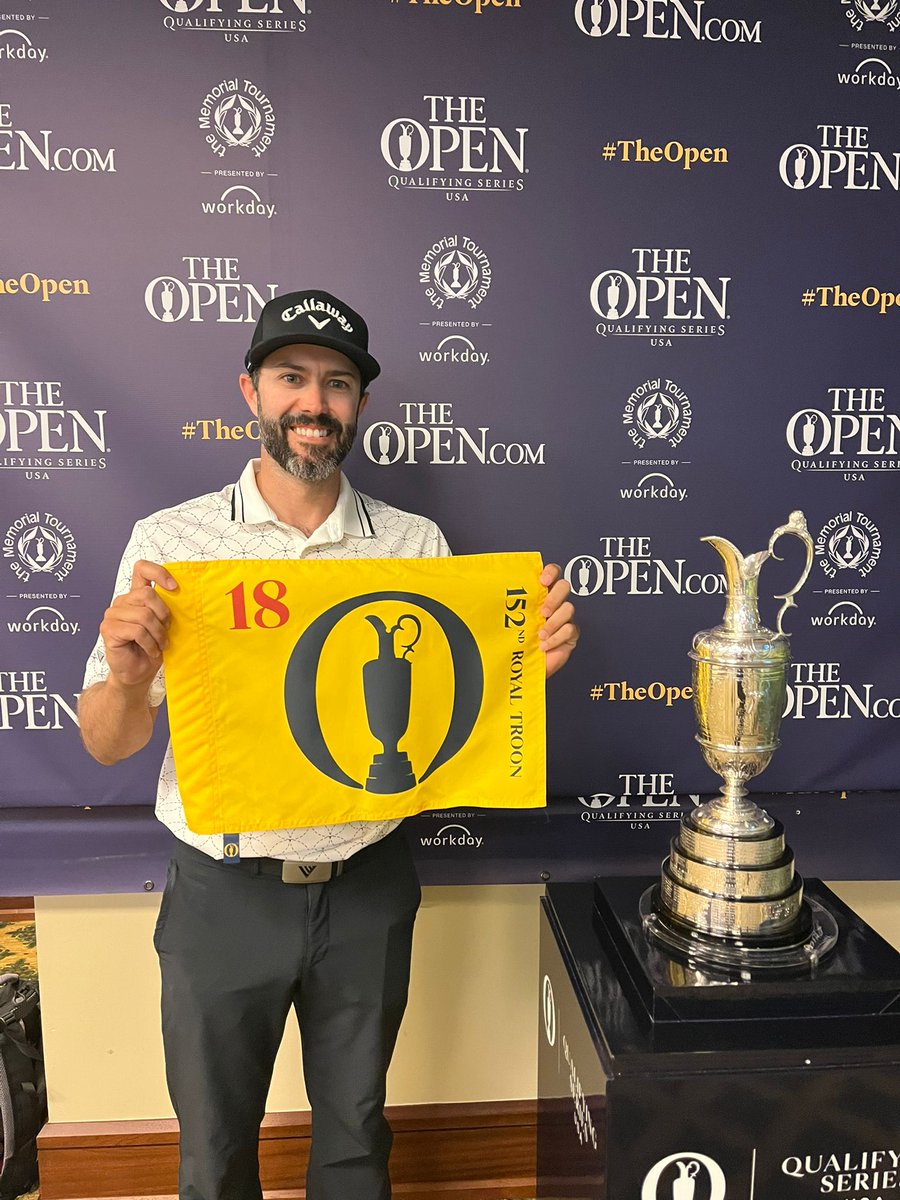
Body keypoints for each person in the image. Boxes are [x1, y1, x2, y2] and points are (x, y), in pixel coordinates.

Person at [79, 289, 578, 1200]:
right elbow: (109, 745)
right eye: (291, 377)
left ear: (359, 406)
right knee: (212, 1153)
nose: (314, 402)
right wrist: (122, 678)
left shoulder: (413, 544)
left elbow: (441, 732)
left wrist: (519, 677)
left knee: (355, 1142)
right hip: (223, 894)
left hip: (367, 888)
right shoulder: (171, 543)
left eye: (338, 383)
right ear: (251, 392)